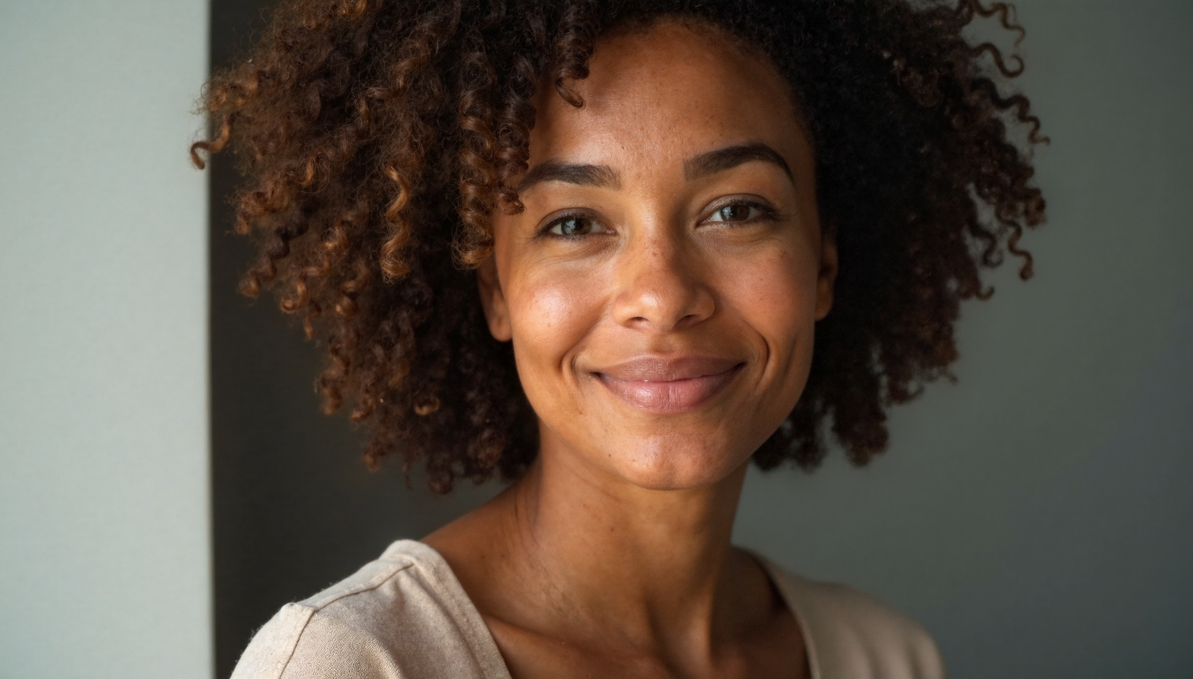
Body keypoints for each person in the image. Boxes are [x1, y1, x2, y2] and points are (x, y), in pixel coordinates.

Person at [193, 0, 1044, 676]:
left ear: (822, 265)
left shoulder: (884, 658)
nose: (662, 295)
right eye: (573, 223)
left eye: (736, 210)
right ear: (496, 290)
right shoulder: (359, 664)